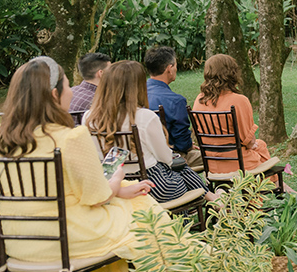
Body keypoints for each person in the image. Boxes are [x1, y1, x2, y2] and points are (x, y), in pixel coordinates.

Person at [0, 56, 163, 272]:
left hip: (18, 245)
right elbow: (97, 197)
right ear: (53, 95)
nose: (72, 92)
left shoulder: (0, 143)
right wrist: (116, 179)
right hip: (69, 241)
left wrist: (117, 190)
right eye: (68, 86)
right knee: (146, 210)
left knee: (129, 199)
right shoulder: (70, 137)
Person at [86, 60, 215, 204]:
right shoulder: (145, 117)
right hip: (152, 183)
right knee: (180, 167)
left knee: (180, 168)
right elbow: (166, 158)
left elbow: (97, 157)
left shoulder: (90, 117)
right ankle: (207, 200)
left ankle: (209, 197)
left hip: (113, 180)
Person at [192, 54, 276, 175]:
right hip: (238, 165)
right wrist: (252, 144)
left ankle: (278, 185)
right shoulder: (239, 101)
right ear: (232, 73)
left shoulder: (200, 100)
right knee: (261, 146)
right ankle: (272, 185)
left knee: (260, 147)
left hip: (213, 165)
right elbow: (249, 141)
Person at [144, 45, 202, 170]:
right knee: (210, 157)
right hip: (170, 157)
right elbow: (182, 143)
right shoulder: (175, 100)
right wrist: (188, 145)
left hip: (142, 156)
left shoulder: (136, 94)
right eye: (175, 65)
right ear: (169, 69)